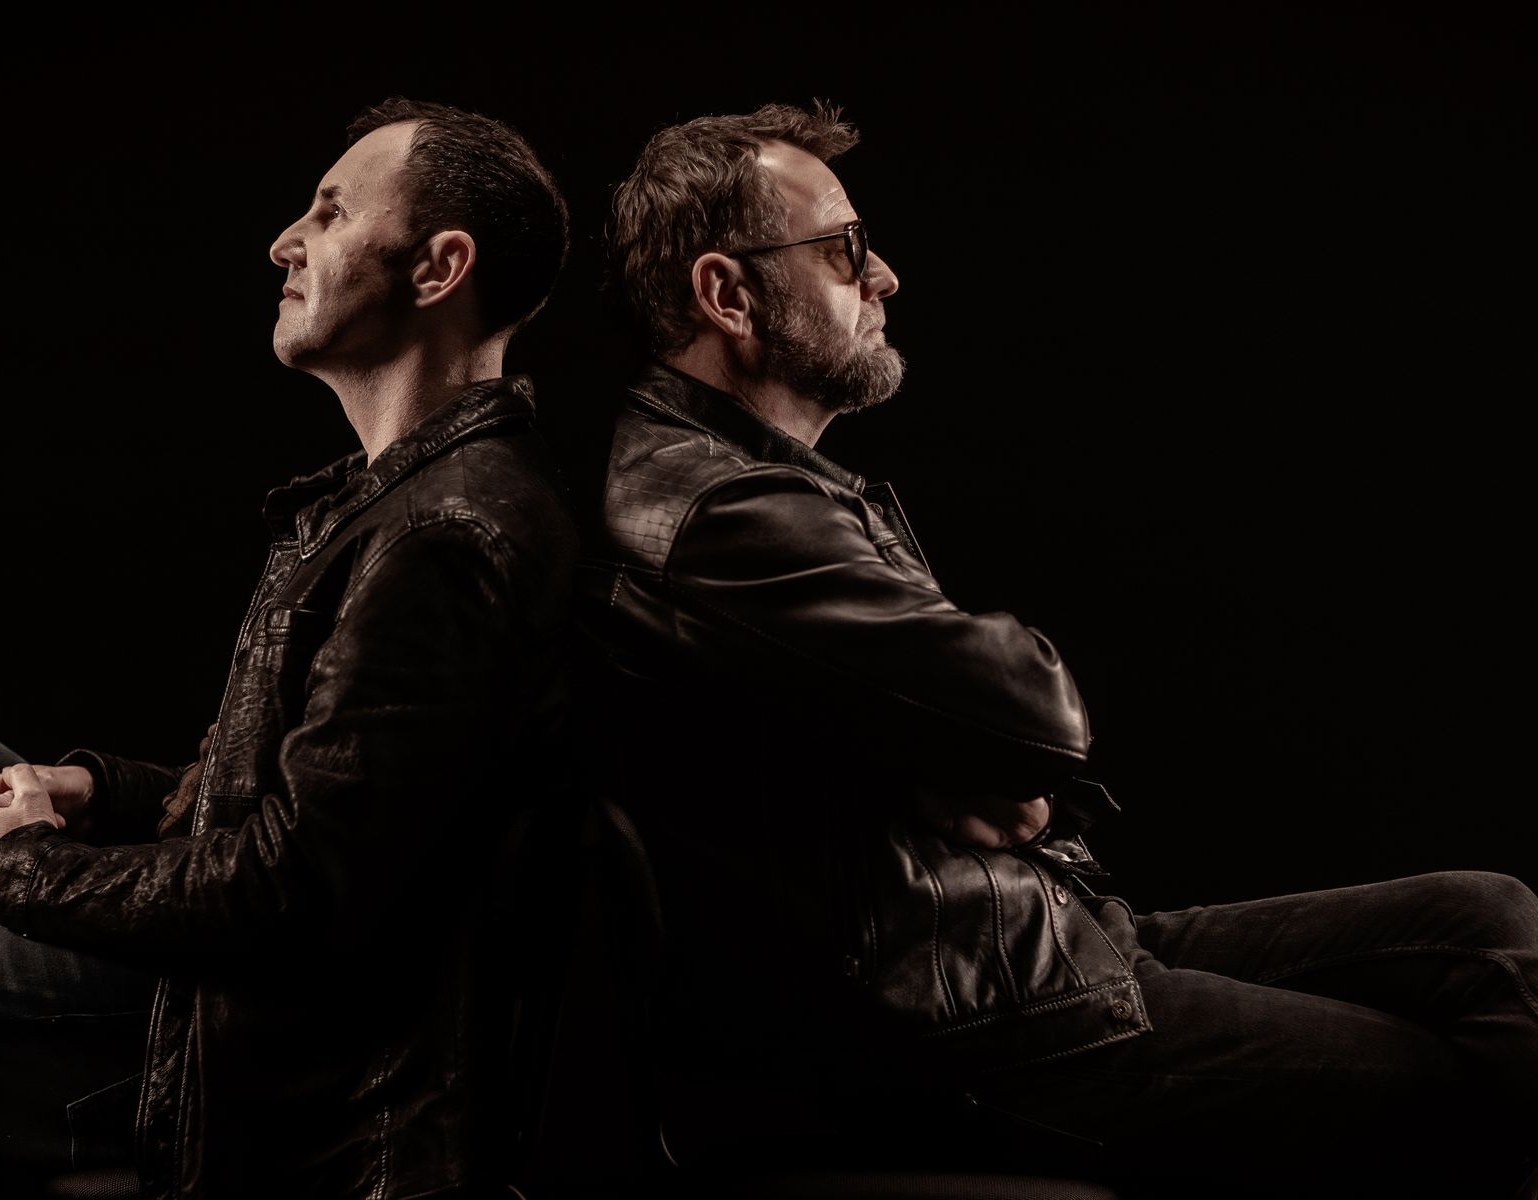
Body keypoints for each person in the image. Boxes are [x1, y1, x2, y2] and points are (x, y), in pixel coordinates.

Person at [576, 101, 1538, 1198]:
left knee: (1489, 918)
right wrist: (970, 759)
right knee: (1458, 1087)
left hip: (1022, 933)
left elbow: (979, 750)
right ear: (727, 293)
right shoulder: (720, 511)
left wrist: (956, 763)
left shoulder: (740, 484)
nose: (883, 275)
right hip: (970, 1016)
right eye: (844, 246)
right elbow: (1033, 712)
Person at [0, 98, 575, 1200]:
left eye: (330, 213)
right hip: (222, 957)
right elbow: (303, 794)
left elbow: (292, 893)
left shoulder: (445, 535)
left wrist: (26, 862)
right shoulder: (394, 497)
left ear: (439, 268)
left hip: (230, 1034)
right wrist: (91, 791)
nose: (284, 242)